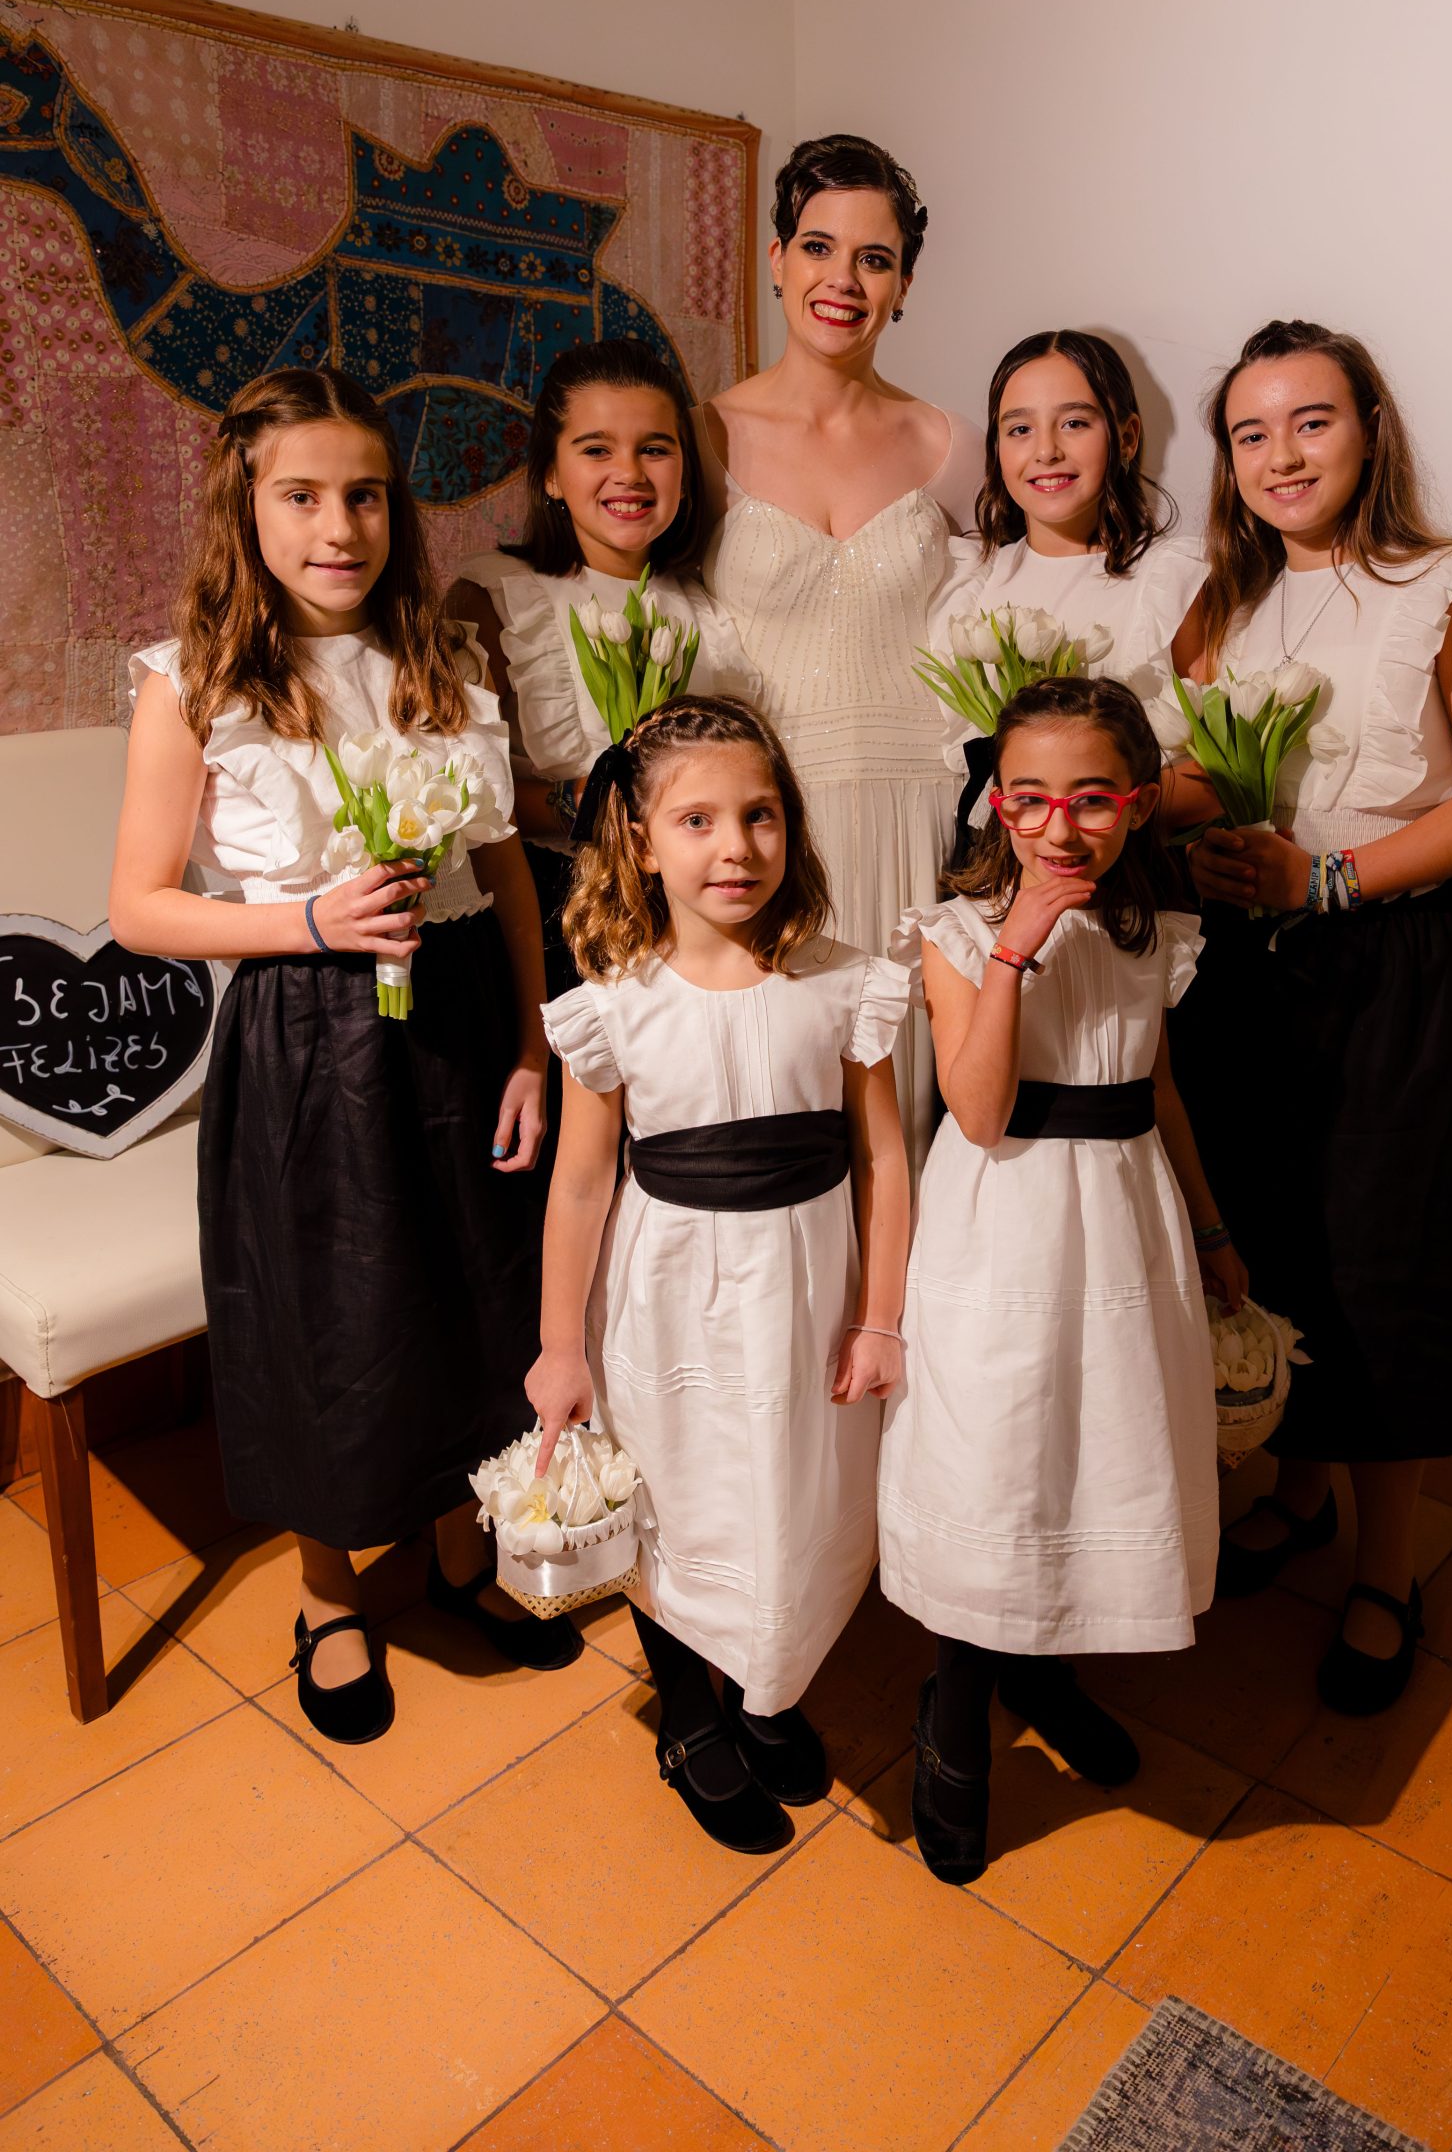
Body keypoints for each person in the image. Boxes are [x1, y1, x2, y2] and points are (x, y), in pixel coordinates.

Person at [109, 368, 570, 1749]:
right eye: (301, 496)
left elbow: (504, 870)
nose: (338, 526)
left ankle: (461, 1545)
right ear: (244, 508)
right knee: (328, 1312)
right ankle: (326, 1591)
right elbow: (140, 908)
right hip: (305, 1028)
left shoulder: (447, 662)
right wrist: (306, 921)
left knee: (475, 1280)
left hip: (462, 1004)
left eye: (364, 495)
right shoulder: (191, 683)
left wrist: (533, 1044)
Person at [1167, 318, 1452, 1717]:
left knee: (1386, 1262)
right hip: (1245, 975)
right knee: (1272, 1246)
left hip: (1395, 969)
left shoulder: (1451, 586)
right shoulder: (1219, 606)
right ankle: (1297, 1488)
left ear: (1369, 429)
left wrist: (1319, 878)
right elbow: (1197, 776)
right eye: (1249, 432)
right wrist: (1183, 837)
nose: (1280, 455)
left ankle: (1388, 1568)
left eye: (1309, 421)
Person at [526, 696, 912, 1855]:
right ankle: (690, 1715)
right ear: (641, 841)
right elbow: (581, 1186)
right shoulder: (615, 1003)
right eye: (697, 820)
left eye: (760, 814)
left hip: (809, 1298)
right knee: (682, 1497)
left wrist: (881, 1318)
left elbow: (884, 1158)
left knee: (794, 1495)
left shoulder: (843, 983)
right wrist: (560, 1346)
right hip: (669, 1302)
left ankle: (766, 1686)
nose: (735, 846)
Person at [879, 677, 1243, 1885]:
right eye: (1029, 798)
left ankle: (1042, 1668)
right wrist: (1014, 951)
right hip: (1006, 1224)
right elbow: (979, 1113)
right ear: (996, 802)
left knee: (1091, 1445)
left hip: (1123, 1217)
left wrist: (1210, 1226)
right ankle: (955, 1707)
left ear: (1137, 805)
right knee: (1002, 1455)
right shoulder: (956, 931)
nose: (1058, 827)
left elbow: (1162, 1087)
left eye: (1091, 799)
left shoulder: (1153, 929)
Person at [699, 134, 982, 1158]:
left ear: (904, 284)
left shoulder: (952, 446)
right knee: (776, 1110)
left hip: (923, 823)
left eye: (874, 259)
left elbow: (1017, 615)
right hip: (770, 828)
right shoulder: (701, 436)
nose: (843, 281)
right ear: (777, 259)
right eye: (819, 248)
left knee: (907, 1121)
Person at [450, 338, 757, 998]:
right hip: (553, 921)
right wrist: (591, 804)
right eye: (596, 450)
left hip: (702, 924)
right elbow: (465, 800)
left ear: (684, 472)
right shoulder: (497, 598)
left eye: (655, 449)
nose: (630, 474)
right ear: (550, 474)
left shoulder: (710, 612)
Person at [926, 328, 1205, 850]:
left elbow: (1217, 770)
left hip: (1128, 868)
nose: (1046, 451)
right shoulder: (971, 584)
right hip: (994, 871)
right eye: (1020, 429)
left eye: (1074, 423)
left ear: (1127, 437)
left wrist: (1087, 819)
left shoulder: (1171, 579)